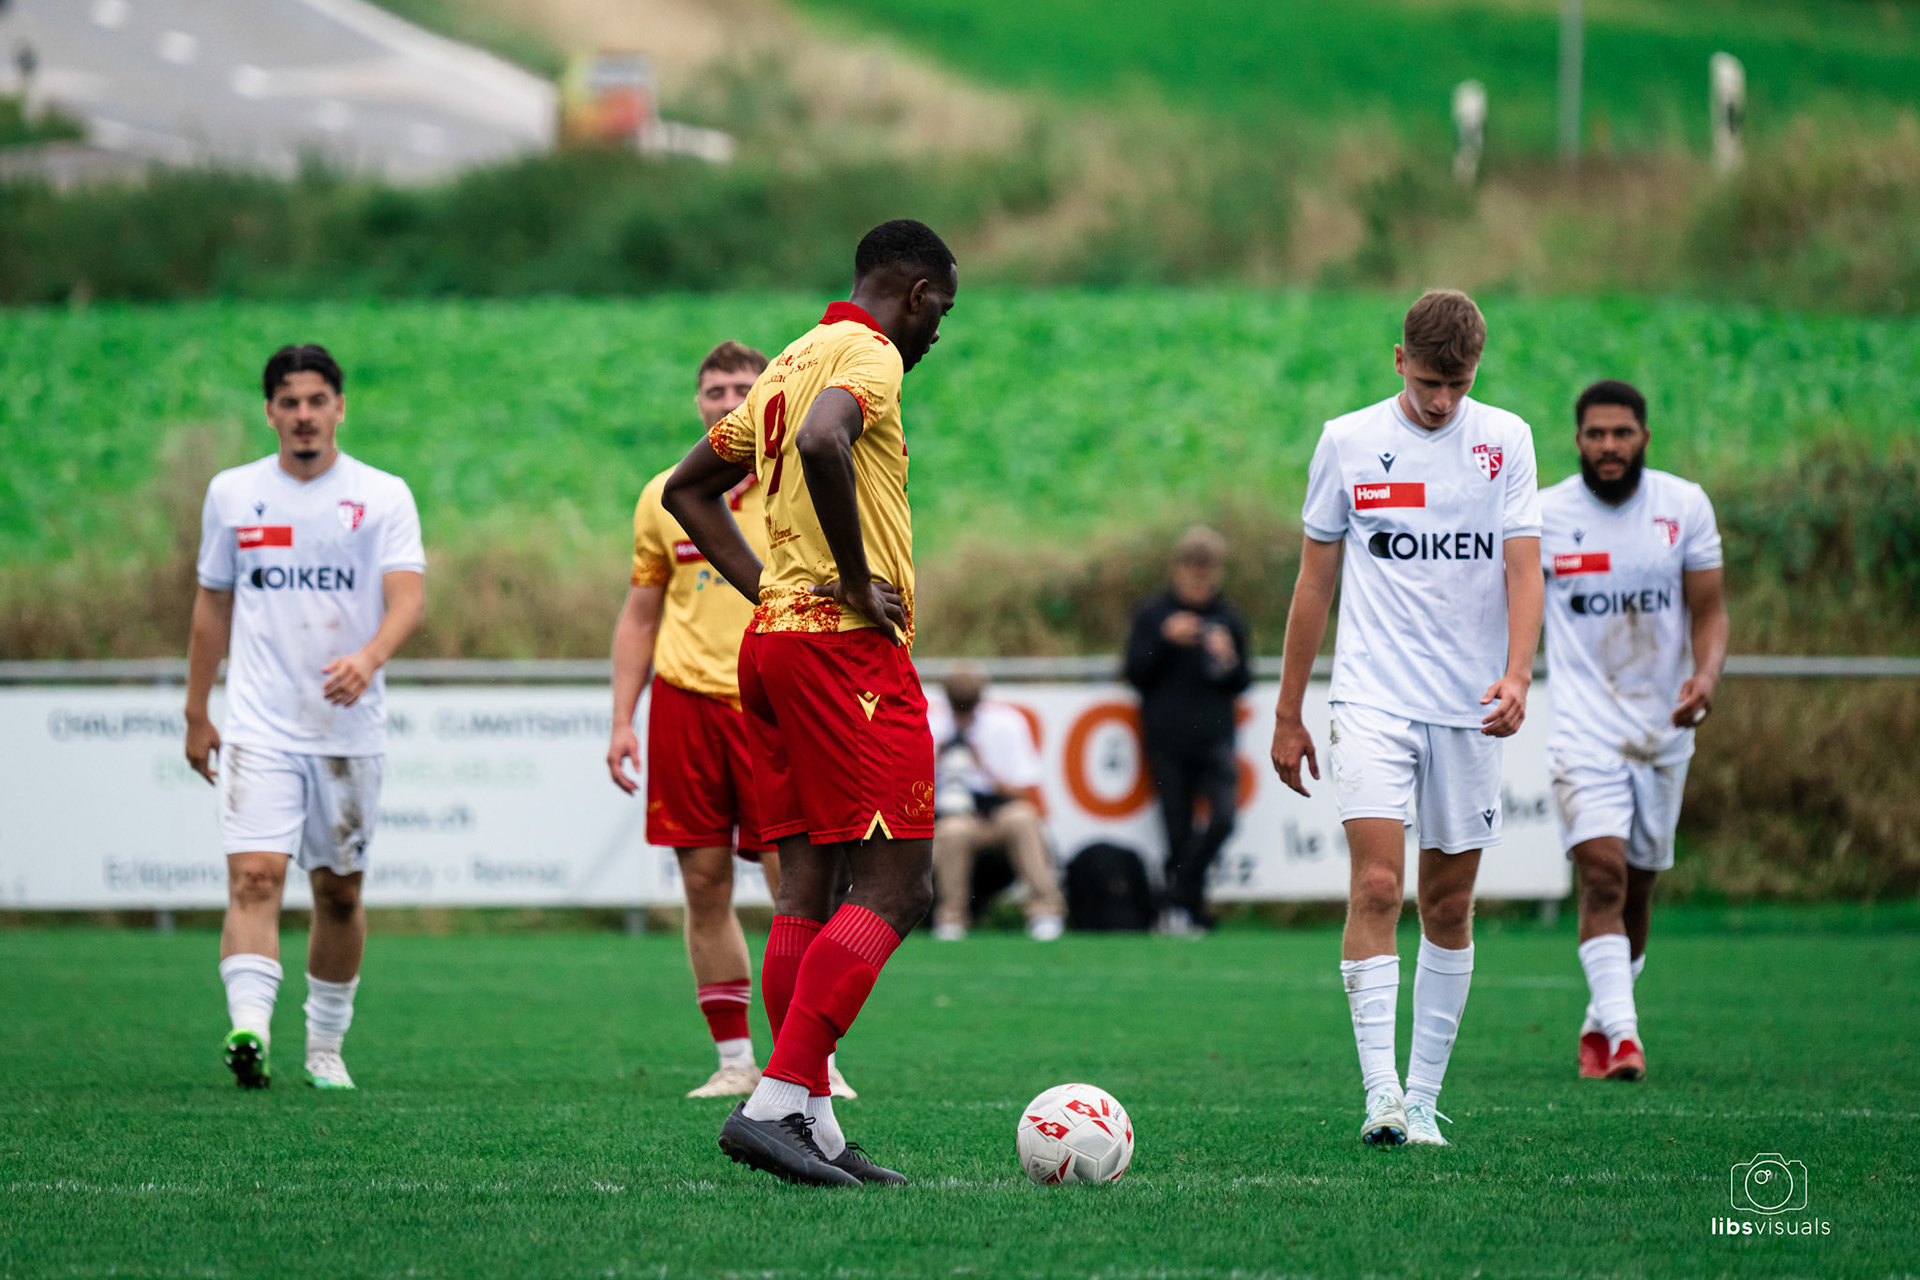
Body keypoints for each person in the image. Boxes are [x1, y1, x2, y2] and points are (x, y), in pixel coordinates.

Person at [663, 218, 957, 1187]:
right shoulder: (868, 355)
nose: (938, 334)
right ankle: (777, 1097)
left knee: (806, 888)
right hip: (845, 656)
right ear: (912, 294)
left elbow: (687, 489)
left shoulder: (789, 359)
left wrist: (771, 588)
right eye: (941, 311)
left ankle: (816, 1122)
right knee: (900, 885)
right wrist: (856, 573)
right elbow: (831, 442)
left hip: (775, 645)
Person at [1269, 290, 1543, 1148]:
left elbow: (1524, 570)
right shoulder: (1347, 442)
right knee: (1380, 885)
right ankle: (1381, 1095)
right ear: (1398, 361)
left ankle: (1425, 1097)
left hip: (1469, 710)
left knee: (1450, 905)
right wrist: (1288, 711)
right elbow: (1315, 583)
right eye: (1428, 382)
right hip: (1373, 698)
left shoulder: (1508, 440)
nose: (1441, 402)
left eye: (1458, 385)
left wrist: (1518, 675)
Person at [609, 339, 853, 1100]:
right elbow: (640, 614)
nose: (726, 401)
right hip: (684, 706)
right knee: (703, 884)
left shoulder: (799, 483)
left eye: (742, 389)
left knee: (797, 886)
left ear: (765, 399)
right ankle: (734, 1061)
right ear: (699, 402)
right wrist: (622, 717)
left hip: (775, 704)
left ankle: (810, 1060)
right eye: (714, 390)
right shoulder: (665, 493)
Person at [184, 344, 426, 1091]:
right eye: (288, 403)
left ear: (339, 408)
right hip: (259, 723)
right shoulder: (232, 494)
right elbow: (211, 606)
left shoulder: (382, 495)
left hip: (346, 730)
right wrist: (197, 710)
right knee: (255, 878)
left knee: (339, 891)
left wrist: (369, 657)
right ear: (269, 413)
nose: (303, 416)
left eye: (317, 400)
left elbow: (408, 597)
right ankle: (250, 1030)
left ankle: (325, 1048)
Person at [1540, 379, 1727, 1083]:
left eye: (1621, 433)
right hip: (1582, 729)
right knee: (1602, 873)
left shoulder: (1684, 507)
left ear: (1644, 436)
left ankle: (1599, 1019)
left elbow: (1709, 611)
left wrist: (1704, 678)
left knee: (1638, 889)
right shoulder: (1545, 515)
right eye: (1596, 434)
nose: (1608, 446)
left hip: (1663, 729)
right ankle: (1624, 1036)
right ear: (1579, 439)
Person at [1125, 526, 1253, 934]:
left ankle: (1177, 896)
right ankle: (1190, 912)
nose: (1199, 581)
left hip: (1215, 738)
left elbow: (1242, 682)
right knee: (1177, 829)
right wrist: (1163, 641)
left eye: (1207, 572)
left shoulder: (1228, 618)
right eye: (1192, 571)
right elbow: (1134, 671)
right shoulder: (1155, 615)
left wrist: (1228, 657)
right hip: (1167, 739)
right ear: (1177, 570)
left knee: (1223, 819)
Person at [927, 664, 1064, 942]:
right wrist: (935, 762)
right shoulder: (931, 725)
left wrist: (984, 768)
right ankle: (951, 918)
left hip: (997, 813)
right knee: (953, 832)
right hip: (956, 816)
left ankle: (1045, 911)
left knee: (1023, 817)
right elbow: (912, 793)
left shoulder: (1007, 723)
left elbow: (1022, 791)